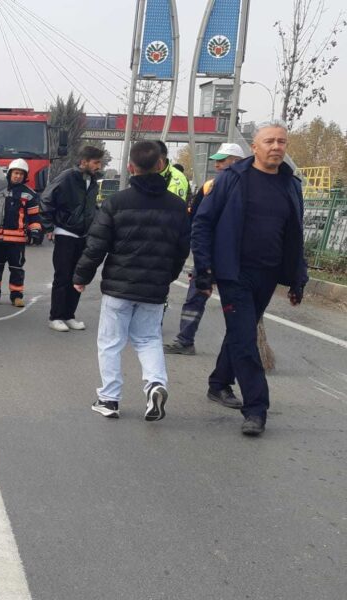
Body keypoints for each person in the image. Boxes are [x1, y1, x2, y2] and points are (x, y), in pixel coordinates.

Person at [191, 121, 308, 437]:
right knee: (245, 339)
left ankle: (218, 383)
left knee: (240, 330)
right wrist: (204, 270)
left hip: (268, 274)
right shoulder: (232, 179)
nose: (276, 147)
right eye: (269, 141)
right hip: (234, 273)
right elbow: (202, 223)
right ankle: (256, 409)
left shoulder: (291, 185)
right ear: (254, 147)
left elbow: (295, 236)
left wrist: (298, 279)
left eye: (281, 141)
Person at [72, 140, 191, 421]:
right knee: (148, 339)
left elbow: (96, 245)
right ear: (161, 165)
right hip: (154, 289)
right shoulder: (177, 207)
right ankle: (155, 384)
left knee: (110, 342)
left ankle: (109, 399)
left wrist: (82, 276)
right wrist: (167, 277)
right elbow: (181, 250)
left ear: (130, 167)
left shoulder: (116, 202)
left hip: (118, 287)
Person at [163, 143, 246, 358]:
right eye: (216, 161)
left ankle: (242, 348)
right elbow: (197, 220)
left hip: (236, 256)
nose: (217, 165)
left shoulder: (249, 186)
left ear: (236, 161)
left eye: (222, 160)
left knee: (238, 305)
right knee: (196, 296)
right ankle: (185, 340)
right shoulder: (211, 185)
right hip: (210, 252)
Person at [40, 145, 103, 332]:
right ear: (84, 162)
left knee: (78, 276)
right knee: (63, 276)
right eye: (96, 162)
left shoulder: (92, 181)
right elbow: (46, 199)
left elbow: (91, 207)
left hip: (84, 235)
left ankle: (69, 315)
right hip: (65, 233)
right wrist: (48, 226)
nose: (99, 166)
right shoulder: (67, 177)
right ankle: (56, 317)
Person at [0, 159, 43, 306]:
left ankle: (16, 296)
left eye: (21, 174)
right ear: (10, 173)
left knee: (16, 269)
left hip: (17, 240)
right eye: (16, 173)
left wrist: (35, 232)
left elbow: (34, 216)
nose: (18, 176)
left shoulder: (29, 194)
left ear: (25, 176)